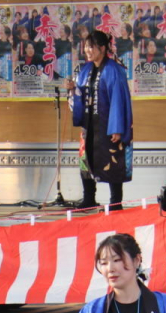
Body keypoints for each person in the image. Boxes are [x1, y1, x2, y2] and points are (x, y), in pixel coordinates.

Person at [66, 30, 133, 211]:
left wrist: (117, 128)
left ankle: (115, 202)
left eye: (91, 47)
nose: (87, 51)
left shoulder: (114, 70)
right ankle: (89, 198)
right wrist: (72, 91)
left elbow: (119, 100)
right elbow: (80, 97)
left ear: (103, 48)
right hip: (89, 124)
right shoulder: (85, 70)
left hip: (108, 125)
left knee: (113, 161)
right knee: (86, 160)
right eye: (86, 47)